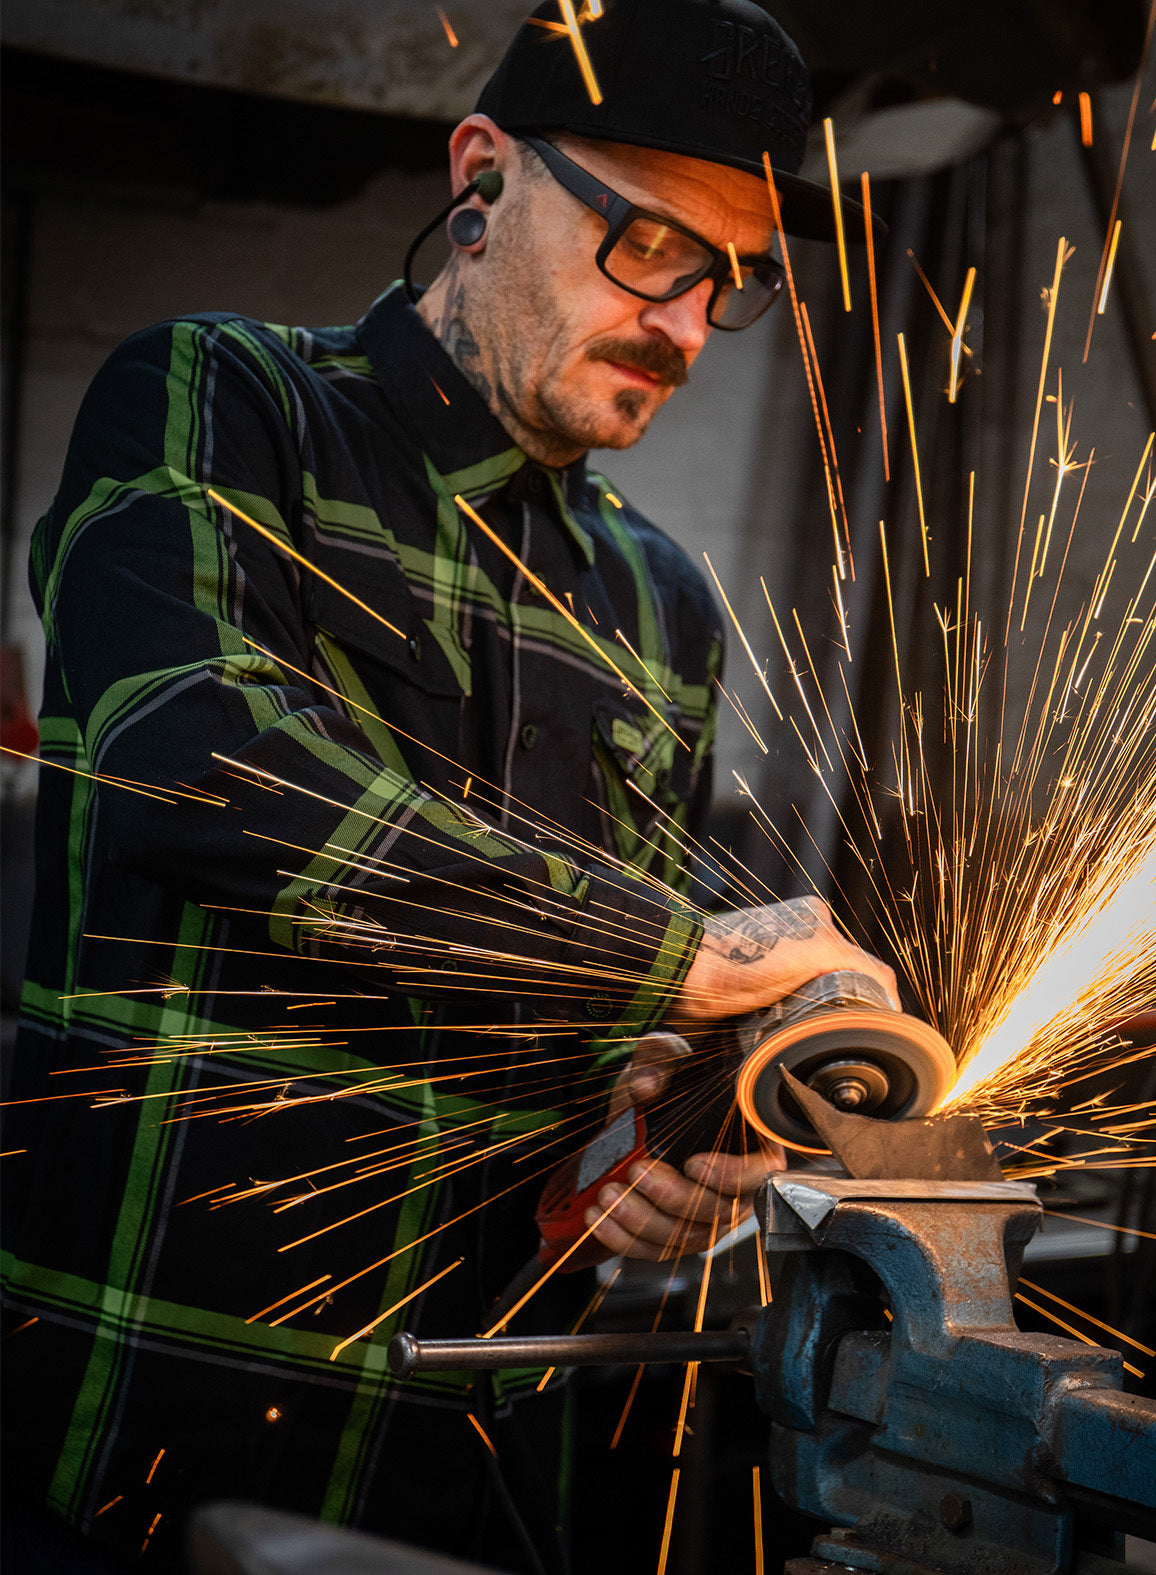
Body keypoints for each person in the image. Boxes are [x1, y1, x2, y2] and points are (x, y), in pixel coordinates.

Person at [1, 1, 897, 1570]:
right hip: (135, 1425)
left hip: (472, 1459)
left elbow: (625, 1022)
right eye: (646, 246)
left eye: (731, 283)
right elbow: (196, 759)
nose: (687, 328)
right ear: (481, 178)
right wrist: (678, 959)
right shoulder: (222, 406)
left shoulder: (665, 603)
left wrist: (689, 1135)